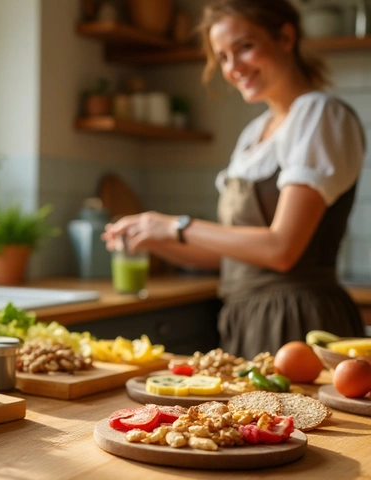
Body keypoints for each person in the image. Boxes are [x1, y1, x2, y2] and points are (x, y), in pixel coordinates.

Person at [102, 0, 366, 359]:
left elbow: (281, 249)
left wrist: (177, 225)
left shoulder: (319, 115)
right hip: (245, 320)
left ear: (285, 37)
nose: (232, 67)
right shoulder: (254, 135)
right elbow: (230, 256)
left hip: (300, 322)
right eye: (222, 56)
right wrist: (151, 236)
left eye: (244, 47)